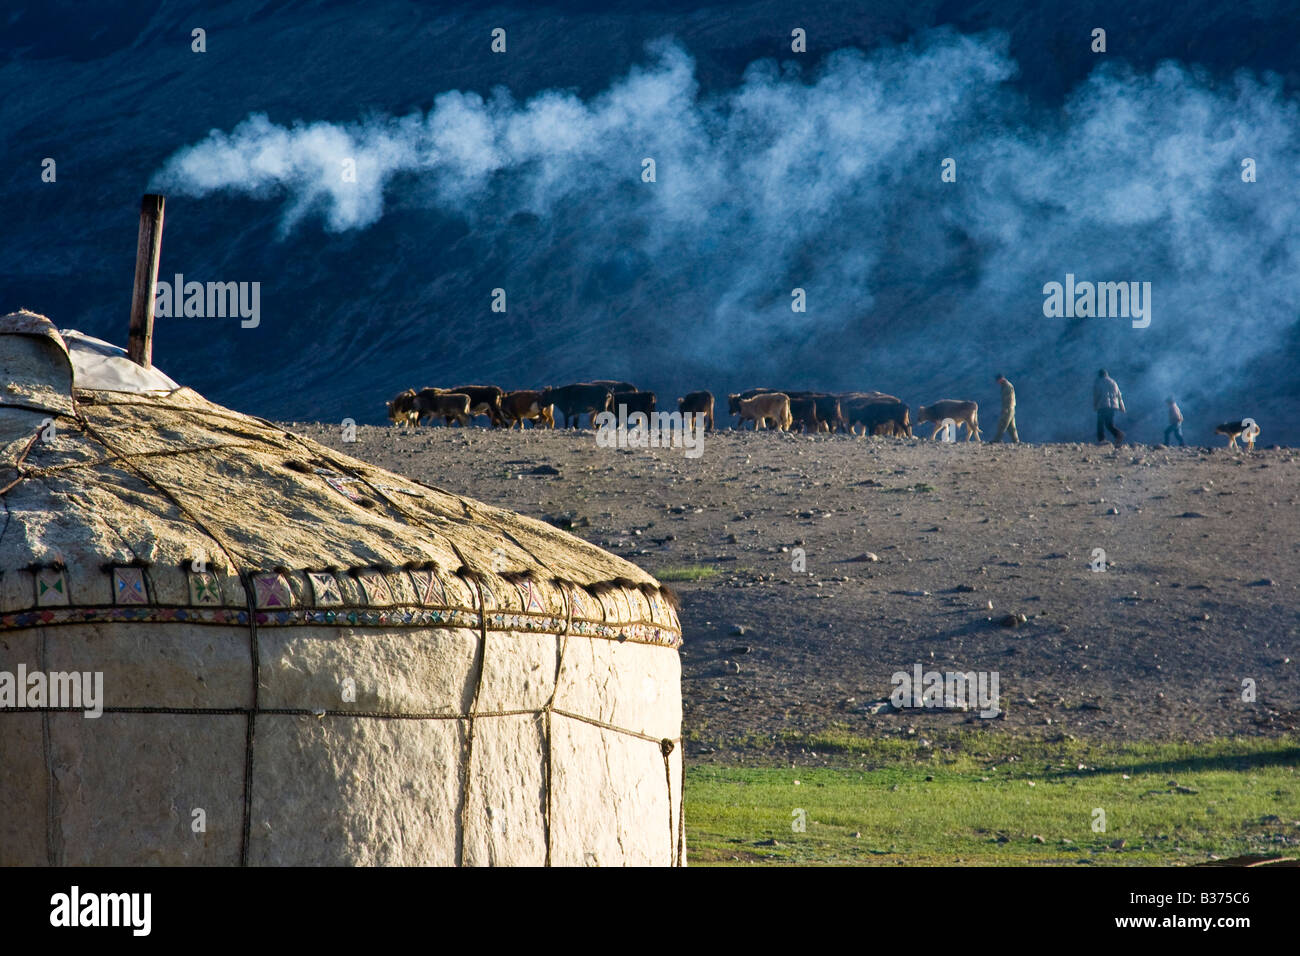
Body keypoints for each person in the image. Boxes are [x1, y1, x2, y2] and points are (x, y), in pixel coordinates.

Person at [1094, 369, 1126, 446]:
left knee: (1100, 423)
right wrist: (1122, 407)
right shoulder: (1113, 382)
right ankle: (1118, 434)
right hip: (1113, 406)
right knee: (1109, 424)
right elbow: (1119, 396)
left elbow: (1097, 395)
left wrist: (1095, 405)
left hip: (1103, 405)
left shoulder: (1099, 382)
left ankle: (1101, 439)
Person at [993, 373, 1018, 442]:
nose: (997, 382)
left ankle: (996, 440)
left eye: (998, 381)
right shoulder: (1005, 386)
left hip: (1008, 409)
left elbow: (1009, 399)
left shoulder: (1007, 386)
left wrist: (1005, 409)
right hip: (1010, 408)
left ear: (1001, 379)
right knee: (1011, 427)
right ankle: (1016, 441)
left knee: (1002, 424)